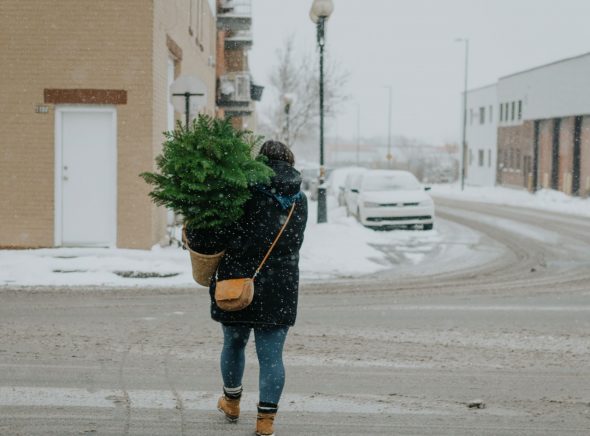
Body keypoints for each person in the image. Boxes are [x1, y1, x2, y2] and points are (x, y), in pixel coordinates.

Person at [209, 140, 308, 436]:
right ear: (289, 161)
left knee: (234, 344)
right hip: (281, 284)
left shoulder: (242, 191)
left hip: (239, 280)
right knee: (272, 355)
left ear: (259, 161)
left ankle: (231, 401)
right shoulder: (299, 199)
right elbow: (295, 241)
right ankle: (265, 422)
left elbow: (222, 232)